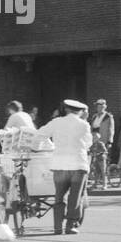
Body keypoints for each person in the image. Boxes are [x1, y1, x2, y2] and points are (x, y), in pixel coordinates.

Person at [36, 99, 93, 234]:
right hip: (78, 164)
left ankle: (57, 226)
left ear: (66, 109)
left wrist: (39, 148)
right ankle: (70, 225)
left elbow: (40, 135)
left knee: (59, 196)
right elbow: (88, 143)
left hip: (59, 164)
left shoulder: (56, 122)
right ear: (79, 112)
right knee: (75, 197)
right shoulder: (84, 125)